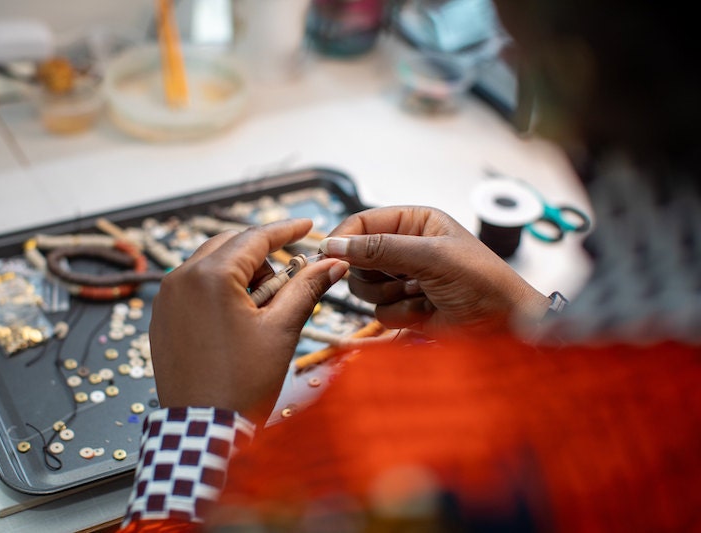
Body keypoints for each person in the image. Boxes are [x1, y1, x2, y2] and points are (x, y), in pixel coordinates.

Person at [118, 0, 701, 530]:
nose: (503, 52)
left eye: (510, 29)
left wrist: (197, 424)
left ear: (577, 71)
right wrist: (526, 323)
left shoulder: (397, 453)